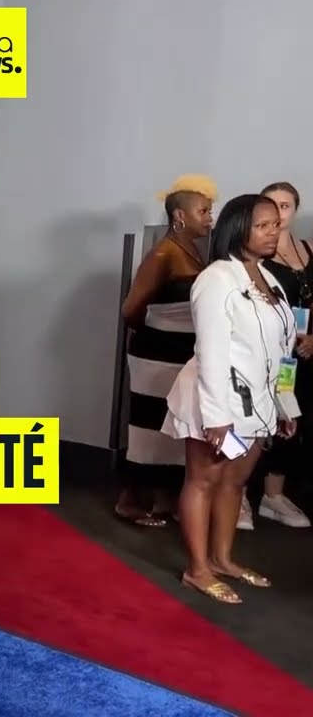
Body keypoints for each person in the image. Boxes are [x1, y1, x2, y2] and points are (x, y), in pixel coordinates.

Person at [161, 193, 299, 604]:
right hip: (217, 400)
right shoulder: (217, 278)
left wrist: (286, 405)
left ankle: (222, 560)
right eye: (263, 225)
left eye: (276, 224)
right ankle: (197, 569)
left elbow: (283, 351)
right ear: (238, 229)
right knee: (203, 481)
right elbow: (212, 353)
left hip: (258, 403)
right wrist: (216, 418)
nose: (273, 232)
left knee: (235, 482)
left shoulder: (271, 279)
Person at [116, 175, 216, 526]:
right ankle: (130, 501)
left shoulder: (190, 249)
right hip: (155, 354)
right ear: (180, 216)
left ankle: (162, 499)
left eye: (211, 211)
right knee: (148, 428)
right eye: (203, 211)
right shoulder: (163, 253)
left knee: (169, 427)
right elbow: (131, 309)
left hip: (179, 354)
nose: (210, 218)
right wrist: (161, 331)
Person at [247, 181, 312, 528]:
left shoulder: (307, 249)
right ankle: (239, 494)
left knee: (293, 418)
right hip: (269, 353)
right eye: (271, 206)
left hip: (301, 356)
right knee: (258, 418)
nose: (278, 214)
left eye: (285, 206)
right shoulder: (256, 257)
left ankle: (274, 495)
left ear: (295, 209)